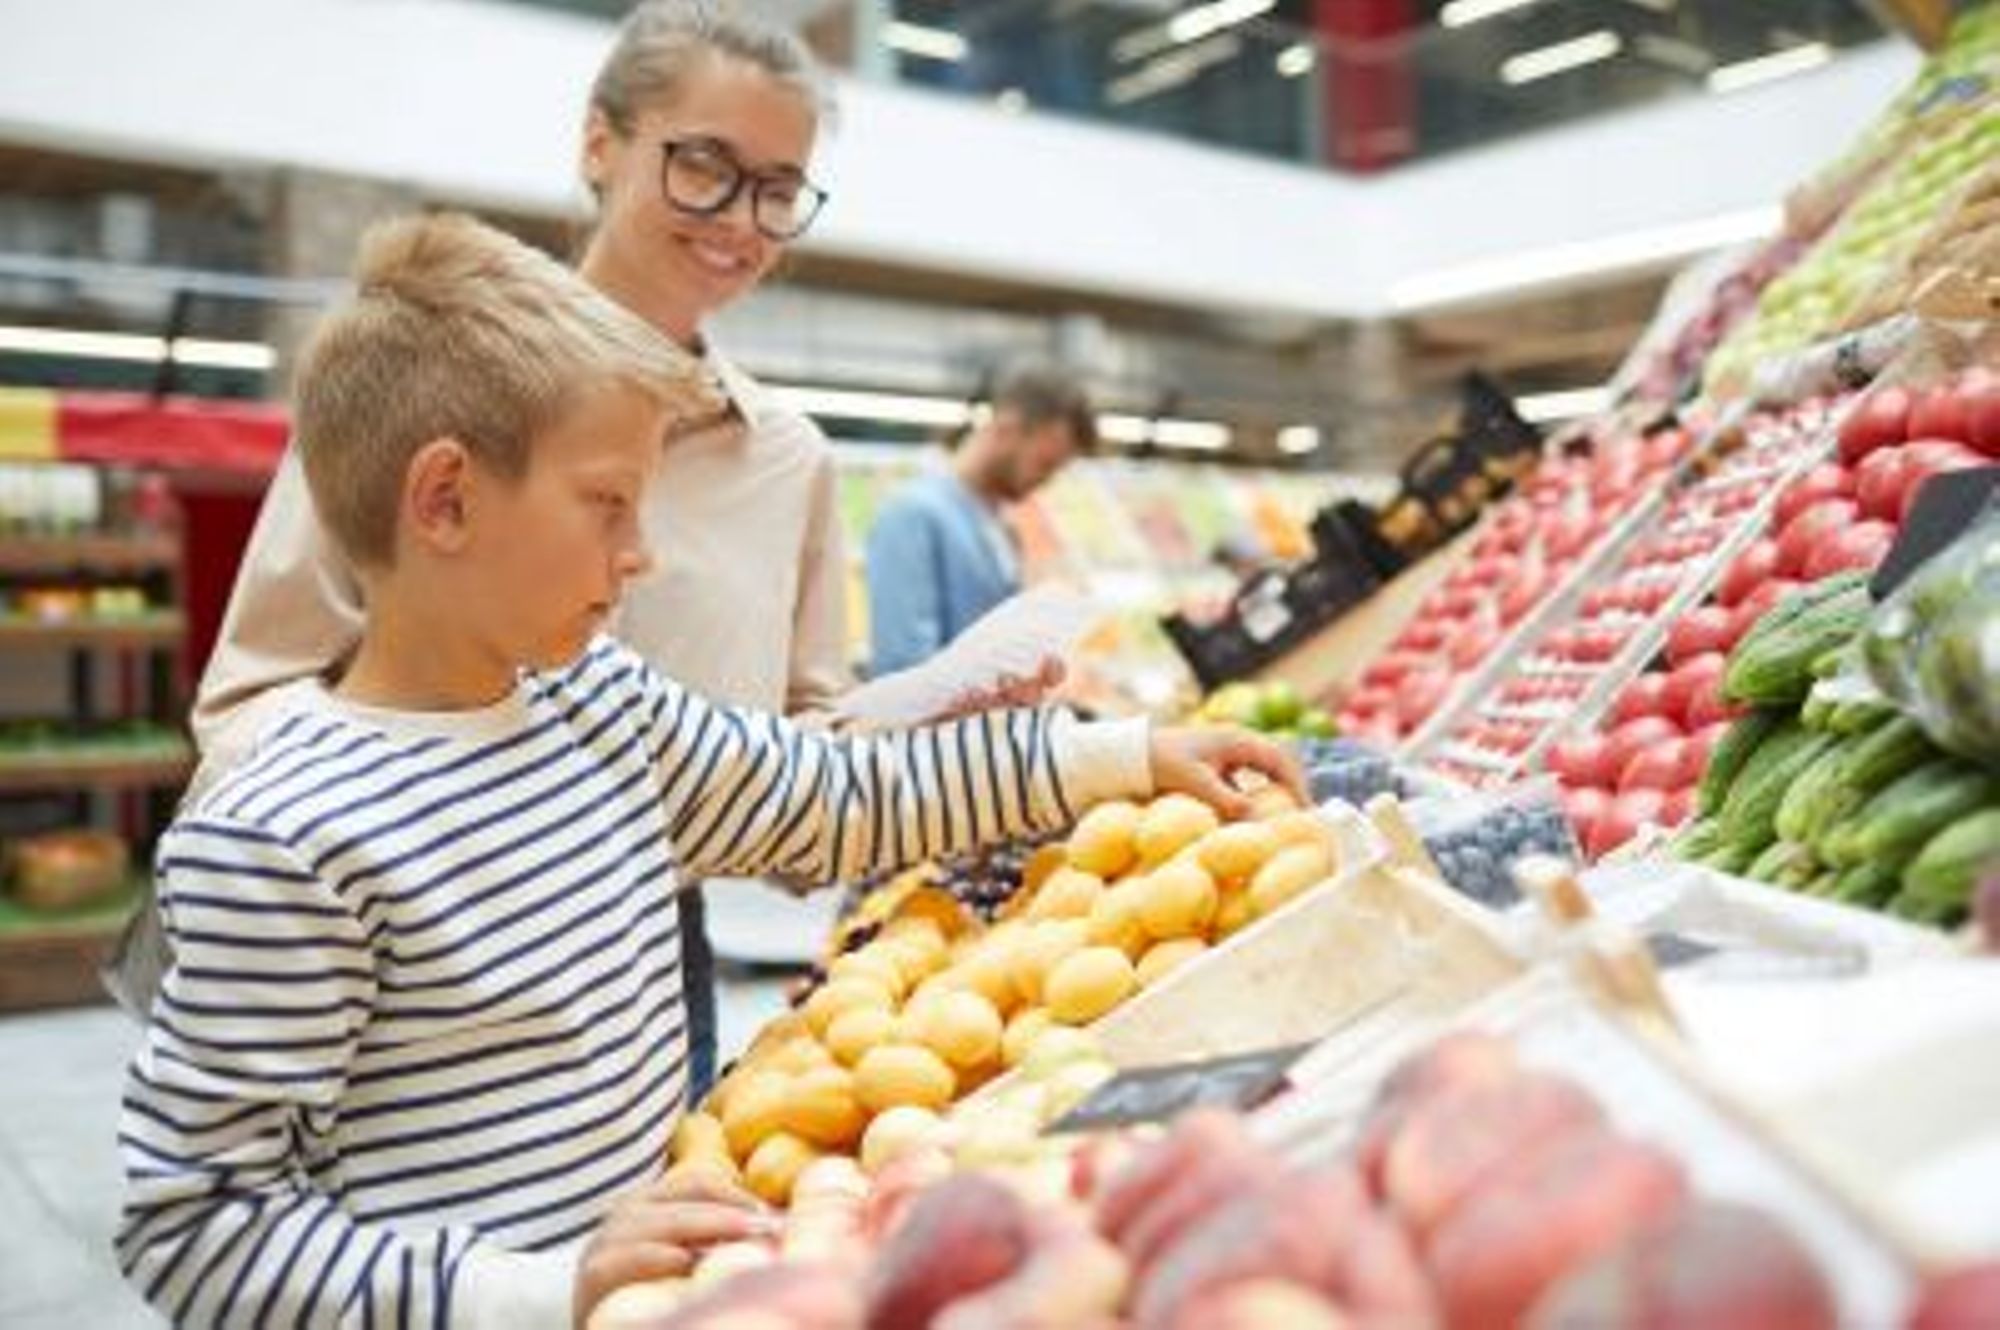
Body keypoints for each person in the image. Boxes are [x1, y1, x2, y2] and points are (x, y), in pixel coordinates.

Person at [115, 213, 1301, 1330]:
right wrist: (536, 1288)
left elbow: (829, 798)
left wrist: (1116, 754)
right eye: (608, 505)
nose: (638, 556)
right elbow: (193, 1224)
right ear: (444, 499)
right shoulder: (280, 836)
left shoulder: (595, 701)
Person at [123, 2, 889, 1096]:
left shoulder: (786, 461)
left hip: (650, 952)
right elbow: (253, 700)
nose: (740, 220)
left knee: (642, 1256)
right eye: (705, 165)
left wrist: (941, 740)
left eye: (777, 188)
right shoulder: (428, 375)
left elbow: (802, 759)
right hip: (413, 949)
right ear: (600, 143)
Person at [864, 361, 1095, 674]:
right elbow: (902, 665)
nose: (1046, 482)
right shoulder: (912, 514)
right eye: (1045, 463)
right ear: (1007, 427)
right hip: (936, 723)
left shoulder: (1000, 525)